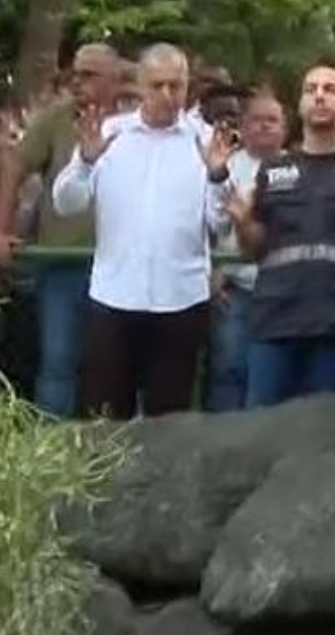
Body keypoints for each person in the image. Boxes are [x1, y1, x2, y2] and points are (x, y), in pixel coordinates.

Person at [51, 44, 233, 419]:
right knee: (101, 419)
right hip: (114, 298)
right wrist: (85, 162)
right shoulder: (107, 135)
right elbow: (65, 204)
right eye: (158, 85)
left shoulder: (205, 140)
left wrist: (217, 177)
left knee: (169, 422)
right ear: (139, 86)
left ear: (188, 87)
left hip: (180, 302)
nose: (168, 95)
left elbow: (220, 223)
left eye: (176, 86)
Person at [0, 42, 123, 418]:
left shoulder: (135, 123)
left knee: (111, 364)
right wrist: (0, 230)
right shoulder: (56, 120)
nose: (78, 83)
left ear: (115, 80)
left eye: (89, 75)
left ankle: (109, 450)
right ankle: (52, 456)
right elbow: (14, 167)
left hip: (121, 265)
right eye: (75, 75)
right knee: (58, 361)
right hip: (61, 262)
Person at [226, 64, 335, 407]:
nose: (319, 95)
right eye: (311, 89)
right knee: (262, 436)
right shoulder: (273, 170)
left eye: (331, 89)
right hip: (275, 323)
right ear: (301, 103)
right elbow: (255, 251)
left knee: (329, 439)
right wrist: (243, 223)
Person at [209, 91, 287, 411]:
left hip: (282, 288)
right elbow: (208, 224)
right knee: (228, 368)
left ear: (285, 127)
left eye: (273, 120)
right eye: (257, 120)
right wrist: (213, 271)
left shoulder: (294, 168)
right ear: (243, 125)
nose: (264, 127)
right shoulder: (224, 168)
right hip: (235, 285)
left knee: (273, 373)